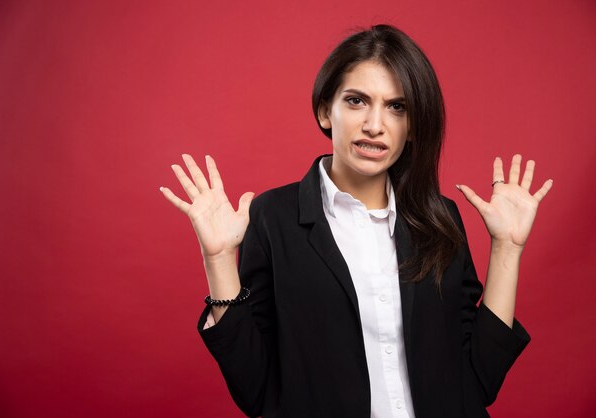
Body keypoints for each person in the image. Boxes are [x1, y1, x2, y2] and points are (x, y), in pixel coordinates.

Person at [159, 24, 553, 418]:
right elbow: (255, 390)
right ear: (324, 111)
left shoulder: (439, 217)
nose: (375, 125)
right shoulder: (272, 218)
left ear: (412, 126)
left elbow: (480, 379)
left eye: (397, 107)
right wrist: (219, 260)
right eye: (357, 101)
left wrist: (507, 248)